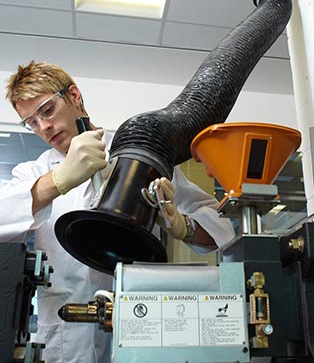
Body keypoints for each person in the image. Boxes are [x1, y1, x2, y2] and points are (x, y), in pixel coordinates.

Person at [0, 60, 235, 363]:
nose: (43, 127)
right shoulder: (35, 172)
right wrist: (58, 181)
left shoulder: (141, 153)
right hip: (63, 339)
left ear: (74, 96)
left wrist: (182, 226)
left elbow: (221, 230)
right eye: (31, 122)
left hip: (136, 325)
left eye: (47, 110)